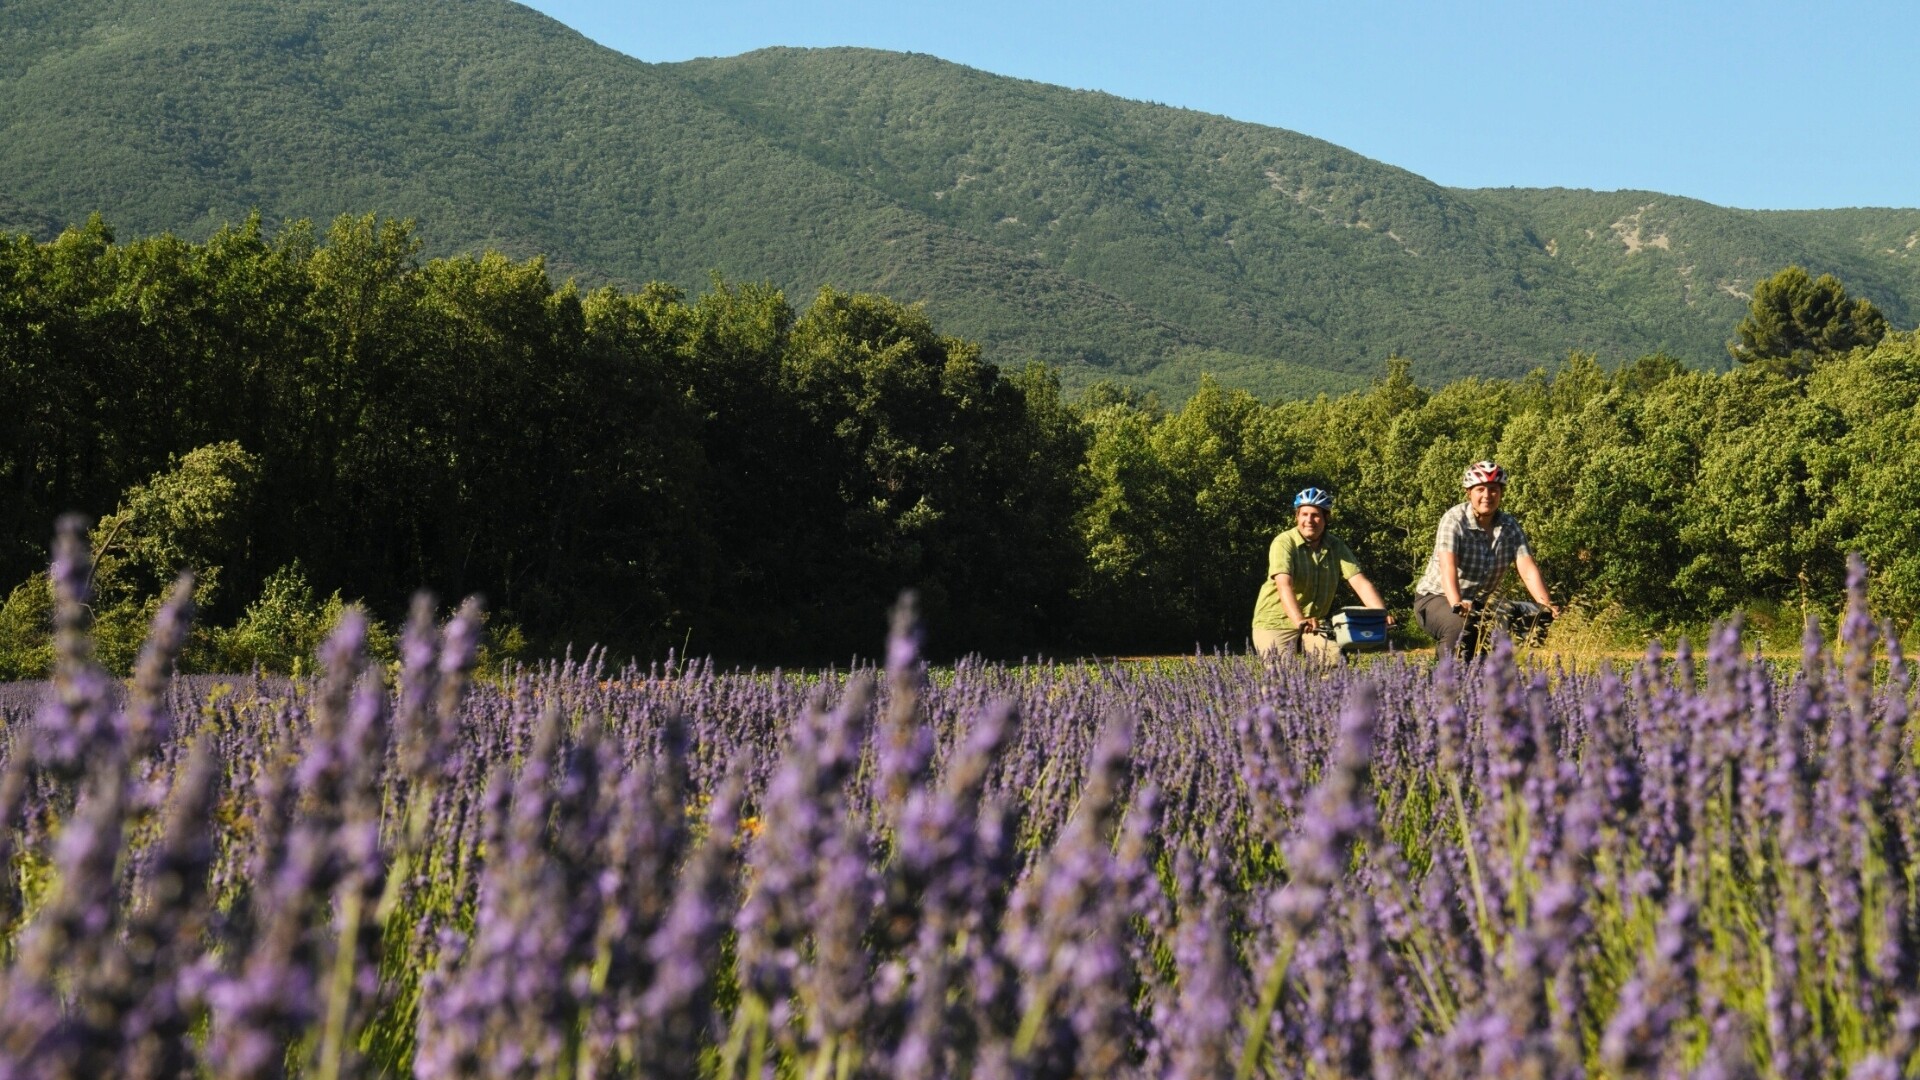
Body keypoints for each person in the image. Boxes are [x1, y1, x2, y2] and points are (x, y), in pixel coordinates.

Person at [1413, 460, 1560, 660]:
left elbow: (1527, 569)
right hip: (1437, 597)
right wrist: (1457, 603)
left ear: (1501, 493)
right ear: (1469, 492)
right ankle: (1445, 682)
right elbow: (1449, 566)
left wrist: (1546, 604)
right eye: (1480, 489)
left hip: (1481, 603)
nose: (1487, 496)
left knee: (1537, 617)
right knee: (1459, 625)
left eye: (1493, 490)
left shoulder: (1509, 526)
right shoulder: (1454, 519)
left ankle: (1497, 678)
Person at [1251, 487, 1391, 662]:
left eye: (1315, 515)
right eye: (1304, 514)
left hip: (1316, 623)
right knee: (1280, 677)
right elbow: (1284, 585)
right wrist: (1300, 620)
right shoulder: (1284, 542)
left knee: (1334, 663)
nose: (1309, 520)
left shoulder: (1336, 546)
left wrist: (1380, 614)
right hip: (1276, 621)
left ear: (1326, 518)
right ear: (1297, 517)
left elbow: (1359, 582)